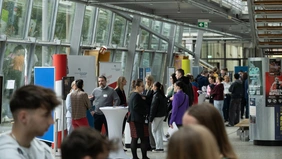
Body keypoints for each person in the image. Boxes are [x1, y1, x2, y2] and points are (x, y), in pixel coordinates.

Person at [0, 85, 61, 159]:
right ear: (23, 117)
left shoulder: (42, 149)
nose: (51, 121)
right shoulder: (6, 153)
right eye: (45, 115)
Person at [127, 79, 149, 159]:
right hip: (137, 120)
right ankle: (140, 156)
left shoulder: (133, 95)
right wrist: (145, 111)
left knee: (136, 138)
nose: (143, 87)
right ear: (137, 87)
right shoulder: (136, 96)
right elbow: (136, 107)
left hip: (134, 119)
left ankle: (137, 157)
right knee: (141, 138)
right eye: (142, 86)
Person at [149, 82, 167, 153]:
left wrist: (150, 118)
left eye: (153, 86)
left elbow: (153, 107)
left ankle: (158, 147)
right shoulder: (162, 95)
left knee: (154, 131)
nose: (152, 87)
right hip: (162, 115)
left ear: (156, 87)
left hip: (156, 116)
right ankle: (160, 147)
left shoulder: (156, 95)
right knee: (158, 130)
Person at [143, 75, 156, 150]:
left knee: (151, 129)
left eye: (147, 80)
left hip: (150, 109)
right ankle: (148, 144)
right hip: (146, 110)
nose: (146, 81)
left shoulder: (152, 89)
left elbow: (151, 99)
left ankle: (153, 144)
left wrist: (145, 98)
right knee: (147, 129)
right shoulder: (146, 88)